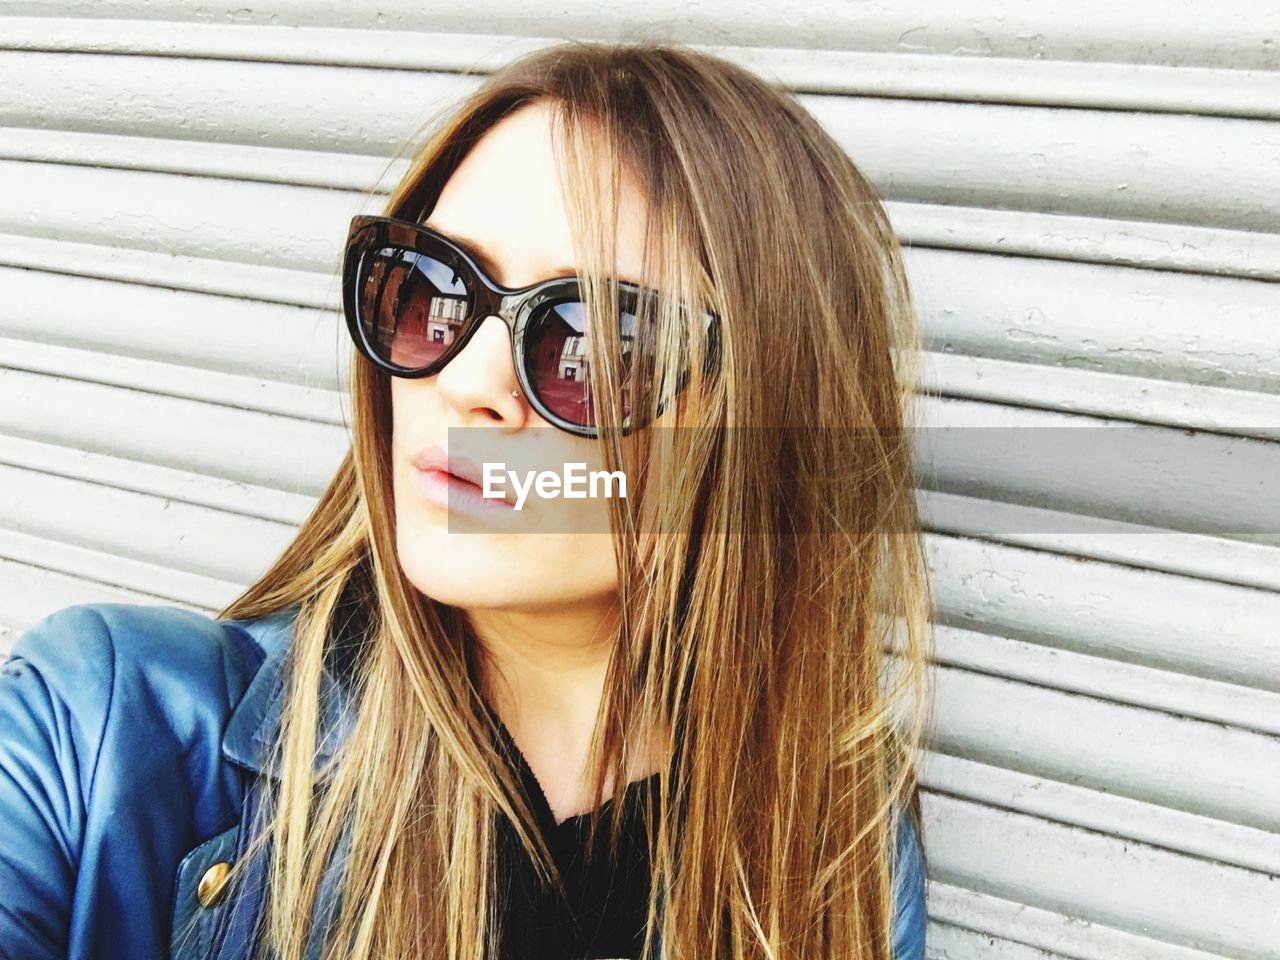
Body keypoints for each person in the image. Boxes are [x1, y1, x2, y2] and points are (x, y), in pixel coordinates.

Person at [0, 39, 933, 960]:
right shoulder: (95, 734)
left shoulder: (833, 844)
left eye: (594, 342)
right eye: (435, 288)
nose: (468, 380)